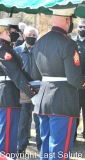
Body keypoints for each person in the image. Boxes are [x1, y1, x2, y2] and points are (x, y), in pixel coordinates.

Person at [32, 8, 85, 159]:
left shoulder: (40, 42)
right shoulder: (69, 44)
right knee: (60, 149)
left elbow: (35, 75)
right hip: (63, 100)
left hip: (43, 99)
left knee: (45, 147)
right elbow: (74, 79)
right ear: (68, 20)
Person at [0, 17, 36, 158]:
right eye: (15, 31)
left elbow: (22, 73)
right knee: (7, 134)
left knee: (11, 133)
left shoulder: (8, 49)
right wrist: (33, 93)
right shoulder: (4, 51)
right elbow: (16, 74)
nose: (18, 34)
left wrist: (35, 85)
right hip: (7, 95)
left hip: (11, 94)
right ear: (6, 31)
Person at [14, 26, 41, 153]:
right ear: (24, 36)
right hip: (23, 89)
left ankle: (41, 145)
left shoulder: (41, 50)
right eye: (30, 35)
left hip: (38, 88)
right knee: (23, 119)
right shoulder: (17, 51)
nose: (32, 37)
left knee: (39, 119)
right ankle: (21, 145)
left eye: (35, 36)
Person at [72, 18, 85, 144]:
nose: (82, 29)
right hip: (75, 83)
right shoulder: (72, 42)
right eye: (80, 27)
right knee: (74, 111)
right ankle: (72, 135)